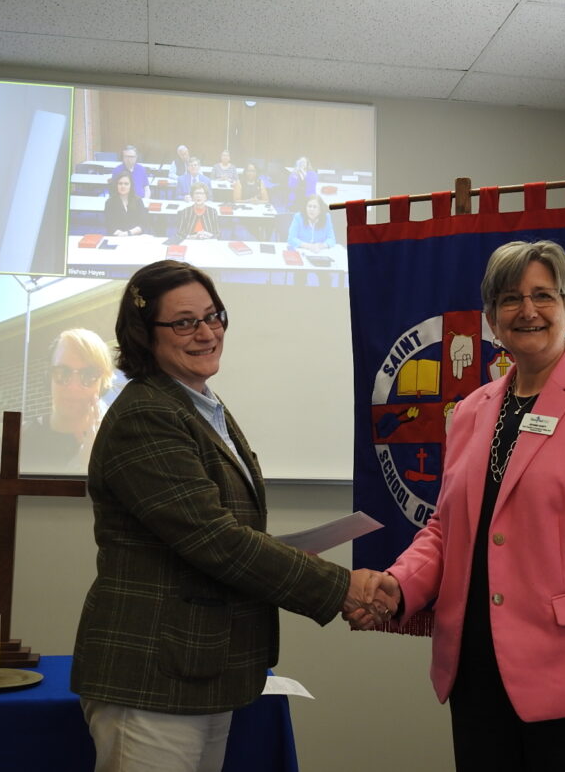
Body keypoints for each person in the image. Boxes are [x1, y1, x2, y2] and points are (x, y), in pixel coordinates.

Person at [352, 241, 565, 771]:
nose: (527, 311)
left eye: (543, 296)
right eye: (510, 298)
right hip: (480, 677)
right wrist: (400, 583)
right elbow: (448, 529)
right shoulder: (470, 411)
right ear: (491, 317)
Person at [71, 260, 396, 772]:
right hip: (153, 675)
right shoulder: (147, 415)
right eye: (184, 322)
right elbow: (217, 541)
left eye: (213, 315)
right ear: (143, 334)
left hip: (200, 668)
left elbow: (223, 536)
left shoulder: (200, 404)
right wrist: (342, 587)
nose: (206, 332)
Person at [21, 328, 115, 473]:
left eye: (89, 375)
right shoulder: (21, 439)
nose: (73, 387)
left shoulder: (118, 443)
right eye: (62, 372)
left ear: (102, 385)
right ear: (48, 378)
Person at [104, 171, 148, 237]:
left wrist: (128, 233)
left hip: (135, 237)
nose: (123, 186)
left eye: (126, 184)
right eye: (120, 183)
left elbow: (143, 224)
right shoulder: (109, 203)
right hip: (117, 238)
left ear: (131, 185)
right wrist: (121, 235)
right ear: (116, 185)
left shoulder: (138, 201)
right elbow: (110, 225)